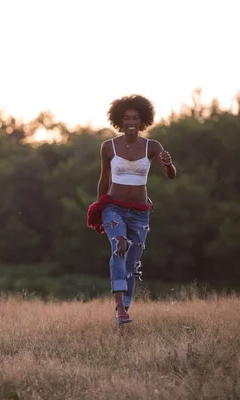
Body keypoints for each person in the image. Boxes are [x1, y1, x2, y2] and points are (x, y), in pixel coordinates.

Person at [86, 94, 176, 325]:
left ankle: (123, 311)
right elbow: (103, 180)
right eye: (126, 118)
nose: (130, 122)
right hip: (113, 207)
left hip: (139, 212)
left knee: (133, 263)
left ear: (143, 120)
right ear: (119, 121)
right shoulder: (108, 147)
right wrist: (99, 208)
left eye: (135, 118)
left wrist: (168, 163)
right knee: (120, 246)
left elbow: (171, 175)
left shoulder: (152, 146)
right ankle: (118, 306)